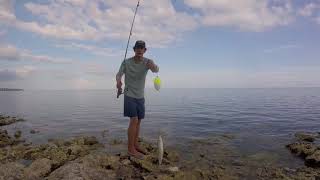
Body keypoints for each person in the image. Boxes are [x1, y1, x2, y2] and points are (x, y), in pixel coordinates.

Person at [116, 40, 159, 159]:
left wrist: (153, 66)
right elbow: (119, 74)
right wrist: (118, 81)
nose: (139, 50)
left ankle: (135, 144)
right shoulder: (126, 62)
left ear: (145, 50)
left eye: (142, 48)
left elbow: (156, 70)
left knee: (139, 121)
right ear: (134, 49)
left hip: (140, 96)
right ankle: (130, 149)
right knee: (134, 120)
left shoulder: (147, 62)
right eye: (137, 48)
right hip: (129, 94)